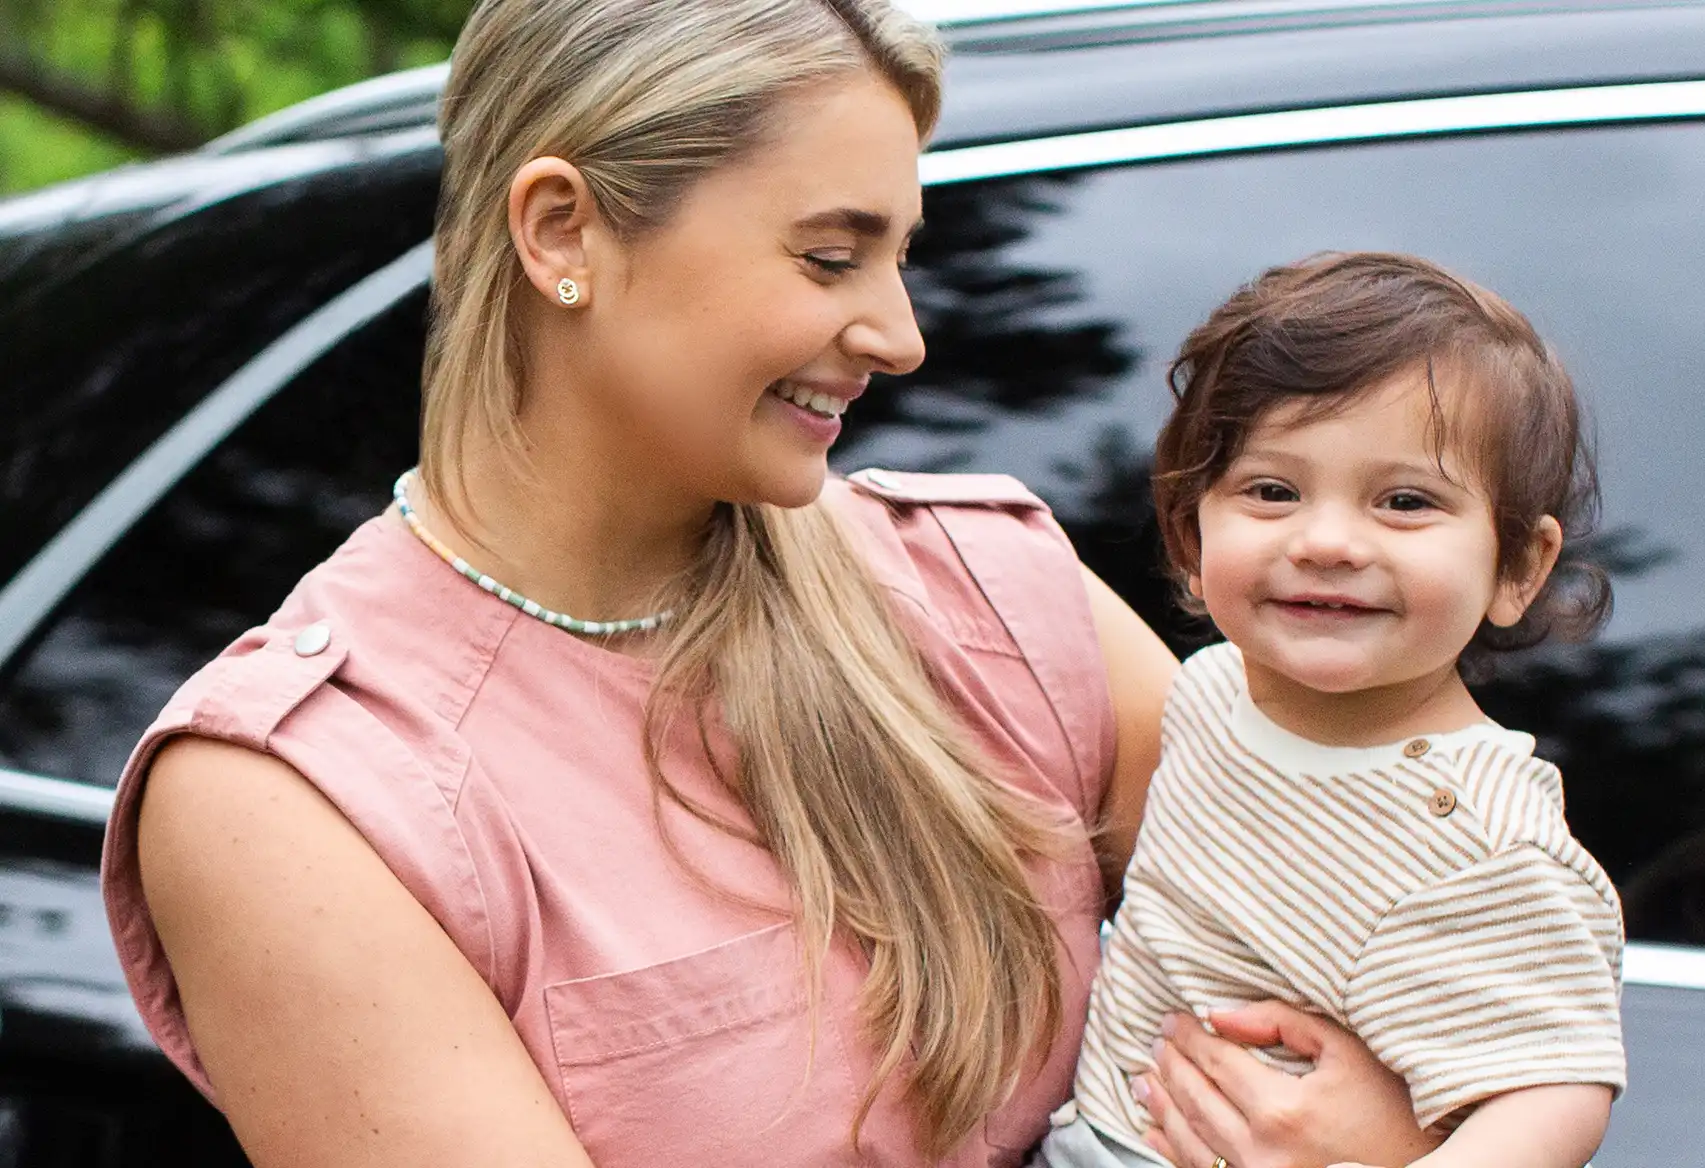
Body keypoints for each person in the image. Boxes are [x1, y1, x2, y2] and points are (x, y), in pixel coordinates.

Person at [98, 3, 1439, 1166]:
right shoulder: (299, 797)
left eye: (899, 255)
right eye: (828, 255)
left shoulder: (993, 592)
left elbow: (1433, 958)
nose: (900, 336)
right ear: (561, 231)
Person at [1044, 252, 1627, 1168]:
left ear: (1518, 567)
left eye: (1405, 501)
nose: (1325, 542)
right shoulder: (1208, 692)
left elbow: (1555, 1091)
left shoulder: (1484, 839)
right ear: (1193, 538)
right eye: (1272, 491)